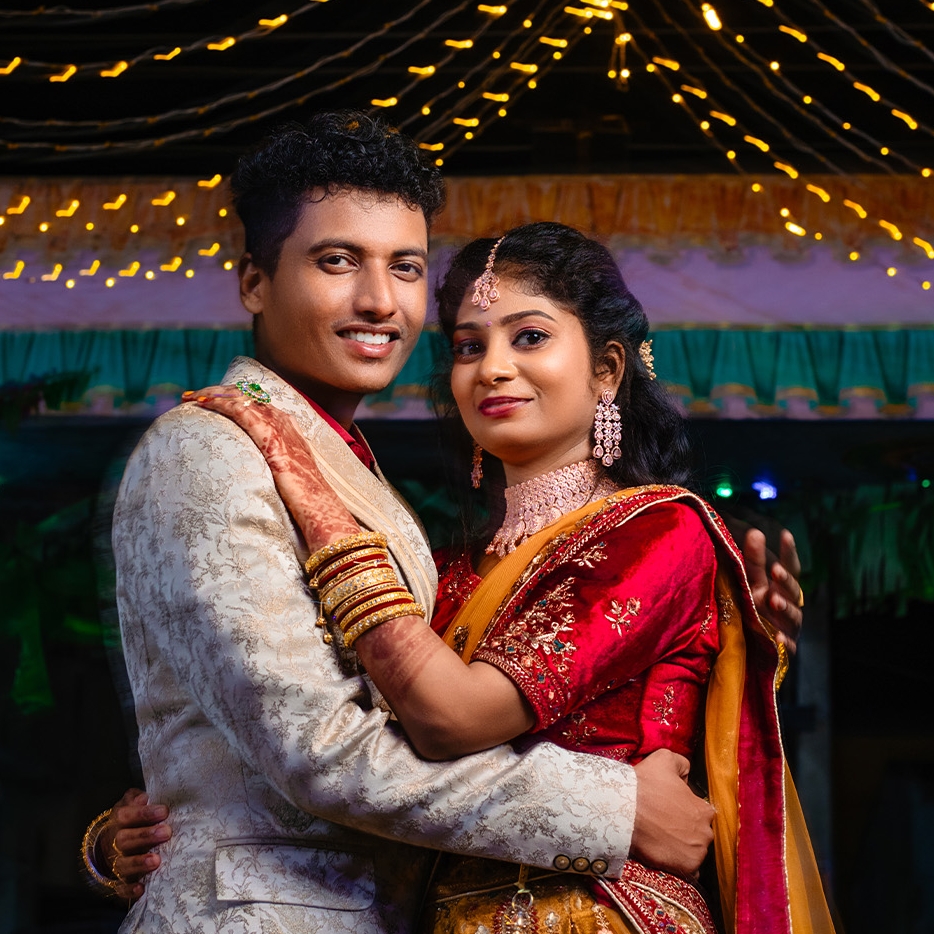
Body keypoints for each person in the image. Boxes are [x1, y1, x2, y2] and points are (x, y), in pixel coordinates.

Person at [89, 113, 735, 932]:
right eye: (336, 261)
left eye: (404, 268)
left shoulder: (350, 473)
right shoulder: (214, 447)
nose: (378, 300)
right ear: (254, 281)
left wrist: (738, 638)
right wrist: (616, 810)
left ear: (608, 368)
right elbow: (321, 750)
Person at [181, 222, 834, 932]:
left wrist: (321, 509)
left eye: (529, 337)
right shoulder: (445, 574)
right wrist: (155, 828)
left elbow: (454, 718)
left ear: (607, 368)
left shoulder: (658, 532)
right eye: (469, 346)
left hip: (596, 915)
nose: (492, 367)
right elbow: (351, 756)